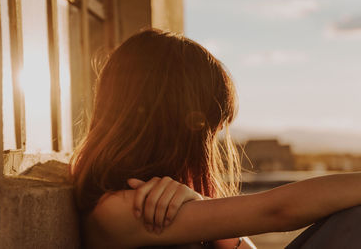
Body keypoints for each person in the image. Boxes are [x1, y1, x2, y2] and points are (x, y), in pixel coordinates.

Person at [70, 28, 361, 249]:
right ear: (178, 125)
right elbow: (277, 210)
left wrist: (202, 206)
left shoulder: (158, 201)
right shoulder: (121, 210)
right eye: (211, 125)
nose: (214, 138)